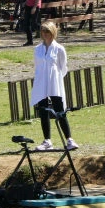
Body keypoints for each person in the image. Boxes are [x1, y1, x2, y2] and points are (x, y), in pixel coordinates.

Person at [30, 21, 78, 151]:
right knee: (43, 110)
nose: (45, 34)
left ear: (53, 33)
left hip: (54, 82)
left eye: (48, 32)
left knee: (59, 109)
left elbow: (63, 67)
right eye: (43, 32)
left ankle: (69, 139)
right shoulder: (37, 49)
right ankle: (47, 140)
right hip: (41, 82)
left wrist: (54, 78)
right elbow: (37, 65)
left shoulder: (59, 49)